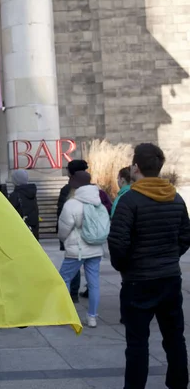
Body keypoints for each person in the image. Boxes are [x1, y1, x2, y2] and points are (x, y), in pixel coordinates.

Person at [108, 143, 190, 389]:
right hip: (169, 278)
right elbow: (186, 236)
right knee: (175, 338)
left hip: (138, 281)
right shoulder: (175, 198)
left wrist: (125, 266)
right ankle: (178, 383)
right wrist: (169, 258)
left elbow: (118, 242)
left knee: (137, 342)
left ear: (135, 168)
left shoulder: (129, 199)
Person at [58, 171, 109, 328]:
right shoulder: (98, 201)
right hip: (95, 249)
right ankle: (92, 317)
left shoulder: (72, 204)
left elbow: (64, 229)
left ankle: (67, 315)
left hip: (76, 250)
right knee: (93, 283)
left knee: (63, 279)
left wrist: (63, 239)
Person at [8, 169, 40, 240]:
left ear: (15, 180)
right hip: (33, 230)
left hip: (20, 231)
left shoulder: (14, 196)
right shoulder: (32, 193)